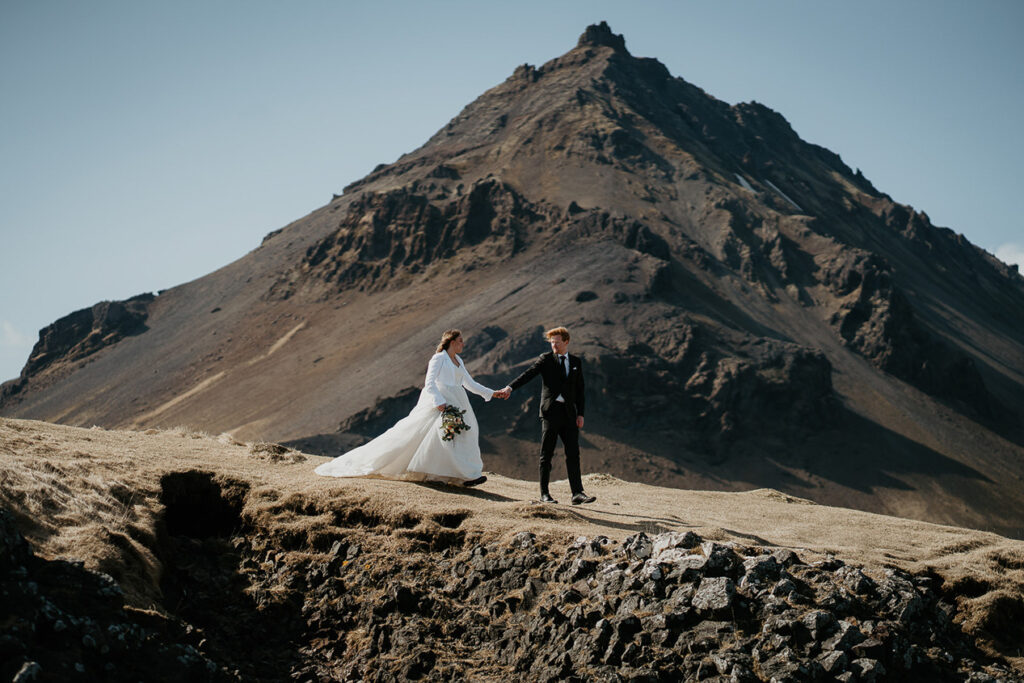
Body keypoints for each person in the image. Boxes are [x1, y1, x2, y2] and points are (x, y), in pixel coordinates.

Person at [315, 330, 499, 486]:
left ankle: (463, 475)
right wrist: (438, 401)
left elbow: (469, 383)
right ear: (451, 342)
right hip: (442, 401)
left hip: (458, 401)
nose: (463, 344)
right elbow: (429, 382)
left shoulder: (458, 360)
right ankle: (453, 475)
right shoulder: (439, 358)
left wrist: (492, 393)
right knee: (438, 434)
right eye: (460, 341)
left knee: (463, 433)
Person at [497, 326, 596, 505]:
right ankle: (544, 494)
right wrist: (510, 387)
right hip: (551, 412)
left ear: (566, 342)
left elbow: (580, 390)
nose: (554, 346)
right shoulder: (546, 359)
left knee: (573, 453)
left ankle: (577, 493)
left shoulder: (575, 362)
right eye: (552, 343)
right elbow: (529, 374)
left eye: (557, 342)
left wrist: (580, 414)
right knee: (547, 454)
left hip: (569, 413)